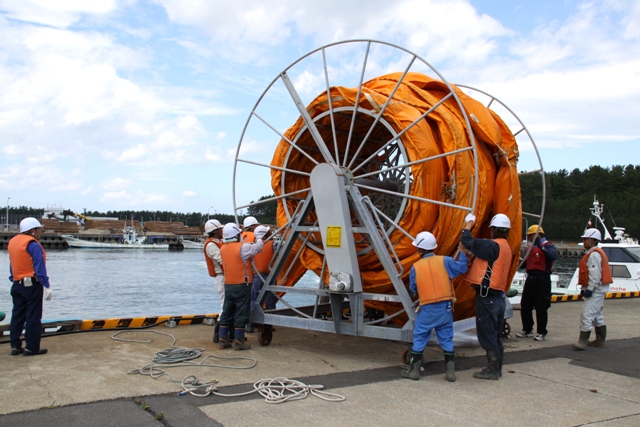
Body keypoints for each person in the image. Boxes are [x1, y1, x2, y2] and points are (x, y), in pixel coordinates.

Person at [401, 231, 468, 382]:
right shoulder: (446, 261)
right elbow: (463, 268)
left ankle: (414, 371)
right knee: (446, 339)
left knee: (419, 337)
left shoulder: (416, 267)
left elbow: (413, 288)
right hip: (445, 309)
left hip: (427, 309)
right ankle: (450, 372)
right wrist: (463, 252)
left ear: (420, 250)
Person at [460, 213, 513, 381]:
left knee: (487, 333)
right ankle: (496, 369)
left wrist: (468, 224)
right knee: (495, 335)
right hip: (498, 298)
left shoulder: (492, 245)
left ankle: (492, 371)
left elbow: (467, 241)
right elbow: (487, 264)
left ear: (494, 230)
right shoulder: (505, 247)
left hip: (487, 298)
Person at [7, 218, 53, 356]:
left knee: (17, 315)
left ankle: (15, 345)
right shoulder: (33, 244)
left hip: (17, 284)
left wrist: (14, 279)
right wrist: (46, 285)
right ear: (33, 231)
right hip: (31, 285)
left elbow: (12, 265)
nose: (40, 232)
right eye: (39, 230)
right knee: (33, 316)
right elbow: (39, 266)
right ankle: (31, 347)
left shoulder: (13, 242)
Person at [218, 223, 263, 350]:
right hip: (242, 285)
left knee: (227, 311)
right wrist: (259, 236)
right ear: (236, 234)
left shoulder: (223, 248)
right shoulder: (243, 247)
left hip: (228, 284)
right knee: (241, 313)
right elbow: (258, 248)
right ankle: (239, 341)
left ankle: (222, 340)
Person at [516, 225, 558, 341]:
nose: (529, 238)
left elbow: (553, 256)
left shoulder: (548, 245)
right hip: (530, 279)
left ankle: (541, 332)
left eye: (530, 236)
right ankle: (527, 329)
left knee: (541, 307)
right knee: (525, 305)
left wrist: (540, 246)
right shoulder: (530, 248)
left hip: (542, 280)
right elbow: (524, 264)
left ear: (538, 235)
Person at [573, 228, 612, 350]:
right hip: (599, 288)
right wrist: (586, 288)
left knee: (587, 314)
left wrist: (589, 289)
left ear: (592, 240)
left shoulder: (594, 255)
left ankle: (582, 341)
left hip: (596, 289)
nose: (584, 242)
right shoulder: (595, 253)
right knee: (597, 315)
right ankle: (600, 340)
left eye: (585, 239)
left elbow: (595, 275)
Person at [248, 225, 279, 332]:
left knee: (254, 300)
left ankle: (251, 323)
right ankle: (269, 325)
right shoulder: (274, 244)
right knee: (270, 301)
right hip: (270, 276)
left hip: (256, 276)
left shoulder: (252, 246)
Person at [203, 219, 227, 343]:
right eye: (221, 229)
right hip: (221, 276)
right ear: (216, 231)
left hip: (225, 276)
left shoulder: (219, 242)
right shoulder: (211, 245)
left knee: (228, 305)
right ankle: (218, 334)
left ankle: (225, 334)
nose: (223, 230)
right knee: (224, 305)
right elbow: (222, 260)